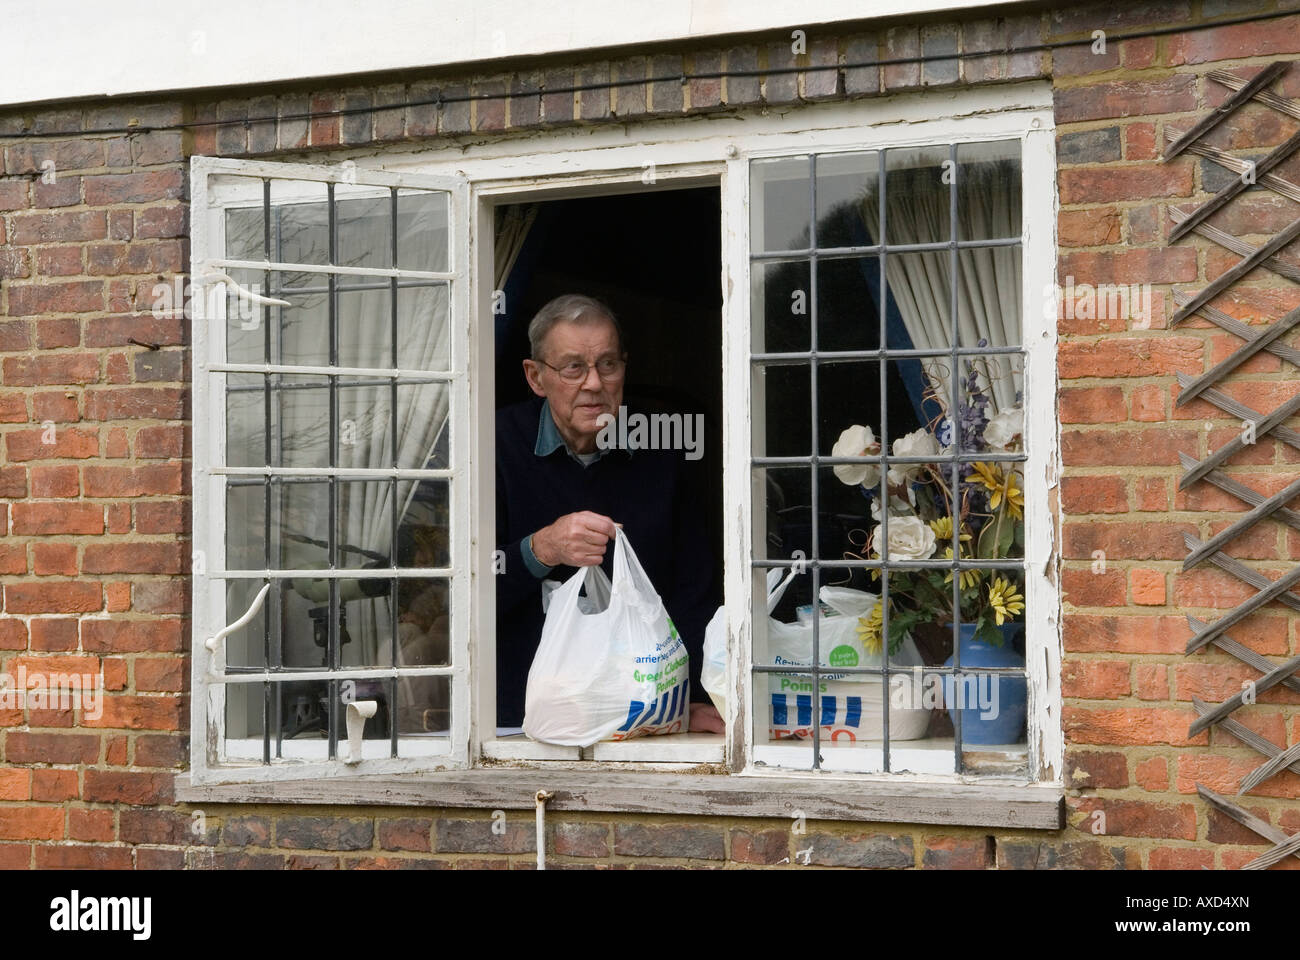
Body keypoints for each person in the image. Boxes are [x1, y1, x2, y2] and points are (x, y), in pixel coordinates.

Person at [495, 293, 722, 733]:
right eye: (573, 367)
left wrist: (687, 696)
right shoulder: (491, 444)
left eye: (608, 365)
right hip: (518, 718)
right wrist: (540, 549)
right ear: (535, 376)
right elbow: (450, 595)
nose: (594, 384)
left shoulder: (663, 447)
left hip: (643, 711)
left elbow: (695, 590)